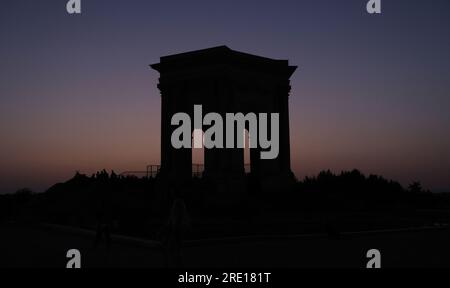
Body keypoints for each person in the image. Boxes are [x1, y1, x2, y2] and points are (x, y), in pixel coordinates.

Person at [163, 196, 191, 267]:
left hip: (175, 242)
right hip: (175, 242)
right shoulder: (179, 220)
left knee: (175, 258)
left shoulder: (176, 220)